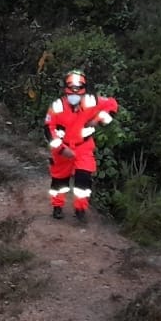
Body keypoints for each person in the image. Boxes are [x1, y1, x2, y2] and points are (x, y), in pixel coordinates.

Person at [45, 70, 119, 223]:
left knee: (83, 179)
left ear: (83, 91)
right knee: (60, 180)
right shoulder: (57, 106)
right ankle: (57, 207)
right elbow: (48, 130)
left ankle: (80, 209)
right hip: (63, 149)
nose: (74, 96)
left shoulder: (91, 101)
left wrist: (98, 119)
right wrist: (62, 149)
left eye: (78, 92)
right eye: (71, 91)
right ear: (66, 90)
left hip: (83, 147)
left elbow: (112, 105)